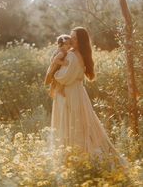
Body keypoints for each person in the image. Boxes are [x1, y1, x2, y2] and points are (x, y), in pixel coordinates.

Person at [50, 26, 128, 169]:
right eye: (71, 37)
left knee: (72, 124)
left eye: (74, 38)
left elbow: (65, 77)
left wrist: (55, 76)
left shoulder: (73, 56)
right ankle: (76, 159)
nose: (71, 40)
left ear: (80, 41)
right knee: (81, 124)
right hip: (78, 92)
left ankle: (76, 161)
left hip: (70, 93)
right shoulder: (81, 55)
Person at [44, 34, 71, 99]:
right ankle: (60, 90)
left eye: (70, 44)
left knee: (54, 80)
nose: (69, 46)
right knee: (57, 79)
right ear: (61, 44)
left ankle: (52, 91)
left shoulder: (59, 50)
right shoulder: (62, 53)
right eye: (66, 44)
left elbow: (51, 59)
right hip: (56, 68)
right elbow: (55, 60)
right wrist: (64, 63)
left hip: (53, 68)